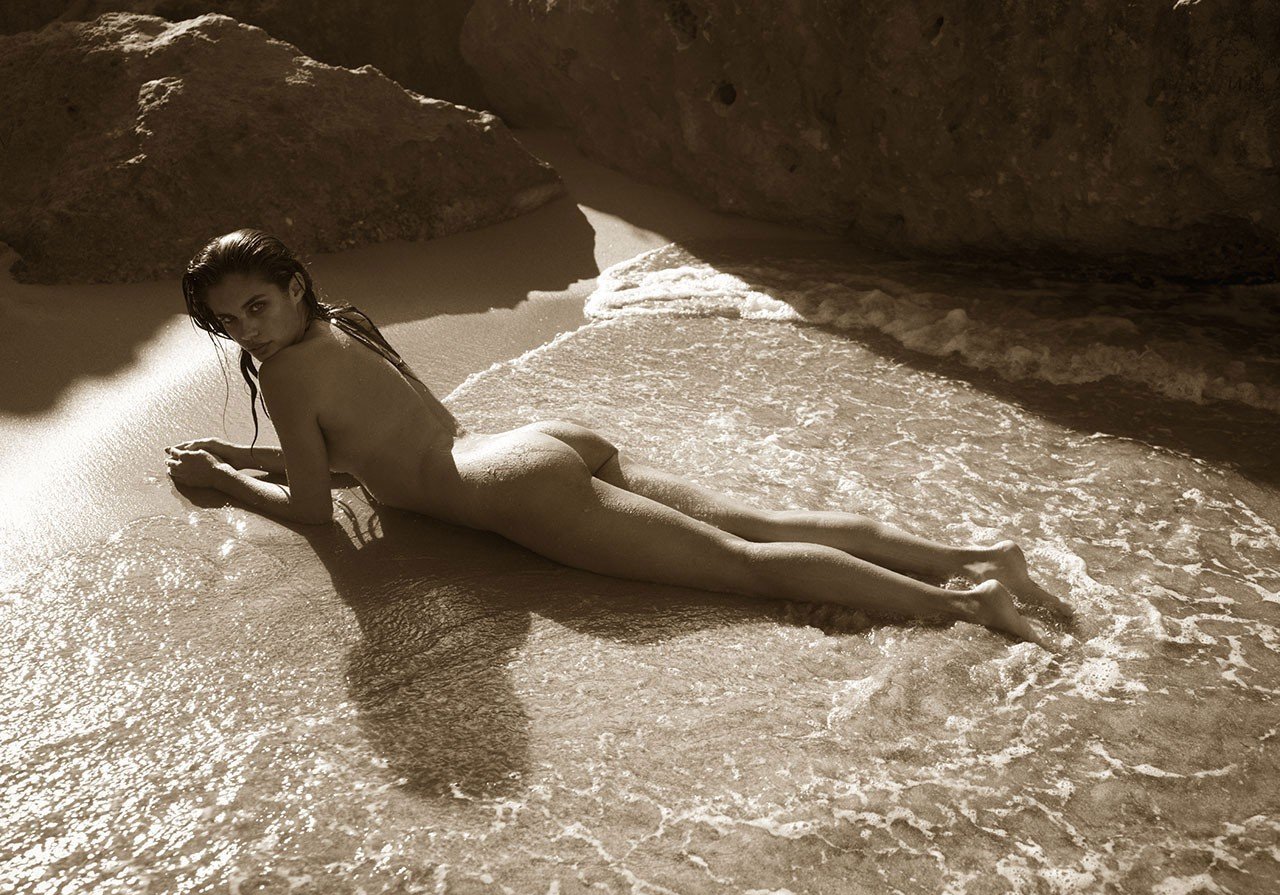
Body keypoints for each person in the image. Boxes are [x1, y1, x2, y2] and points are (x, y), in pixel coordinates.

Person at [166, 229, 1070, 648]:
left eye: (257, 307)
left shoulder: (285, 375)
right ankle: (978, 555)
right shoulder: (344, 324)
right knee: (758, 522)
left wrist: (223, 480)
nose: (247, 331)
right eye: (227, 321)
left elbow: (318, 508)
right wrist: (247, 453)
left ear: (293, 285)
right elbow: (368, 445)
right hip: (540, 440)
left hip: (514, 489)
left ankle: (971, 606)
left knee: (746, 565)